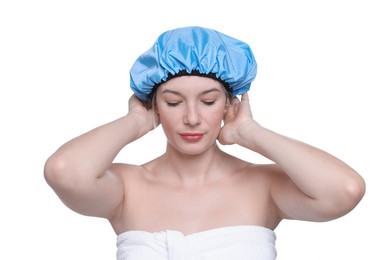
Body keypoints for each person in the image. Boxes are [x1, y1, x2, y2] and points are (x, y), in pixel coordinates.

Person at [44, 26, 366, 259]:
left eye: (208, 101)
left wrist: (250, 133)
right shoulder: (128, 188)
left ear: (228, 104)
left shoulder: (262, 186)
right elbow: (62, 171)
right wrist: (135, 123)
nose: (192, 118)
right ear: (155, 106)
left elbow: (345, 190)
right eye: (173, 103)